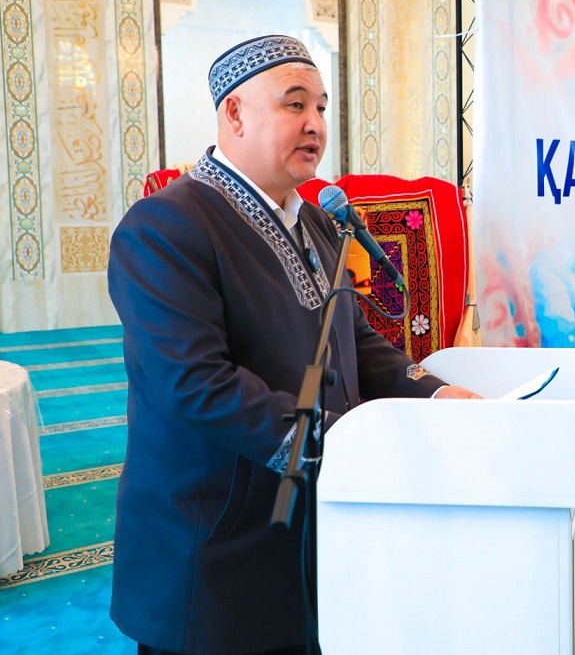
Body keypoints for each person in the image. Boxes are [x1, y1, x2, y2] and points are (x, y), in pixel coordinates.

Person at [107, 34, 480, 655]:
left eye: (321, 107)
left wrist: (435, 394)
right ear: (234, 113)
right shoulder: (165, 226)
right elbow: (197, 386)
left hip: (312, 531)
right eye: (294, 104)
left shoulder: (314, 220)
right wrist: (347, 443)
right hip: (214, 547)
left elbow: (352, 339)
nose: (315, 124)